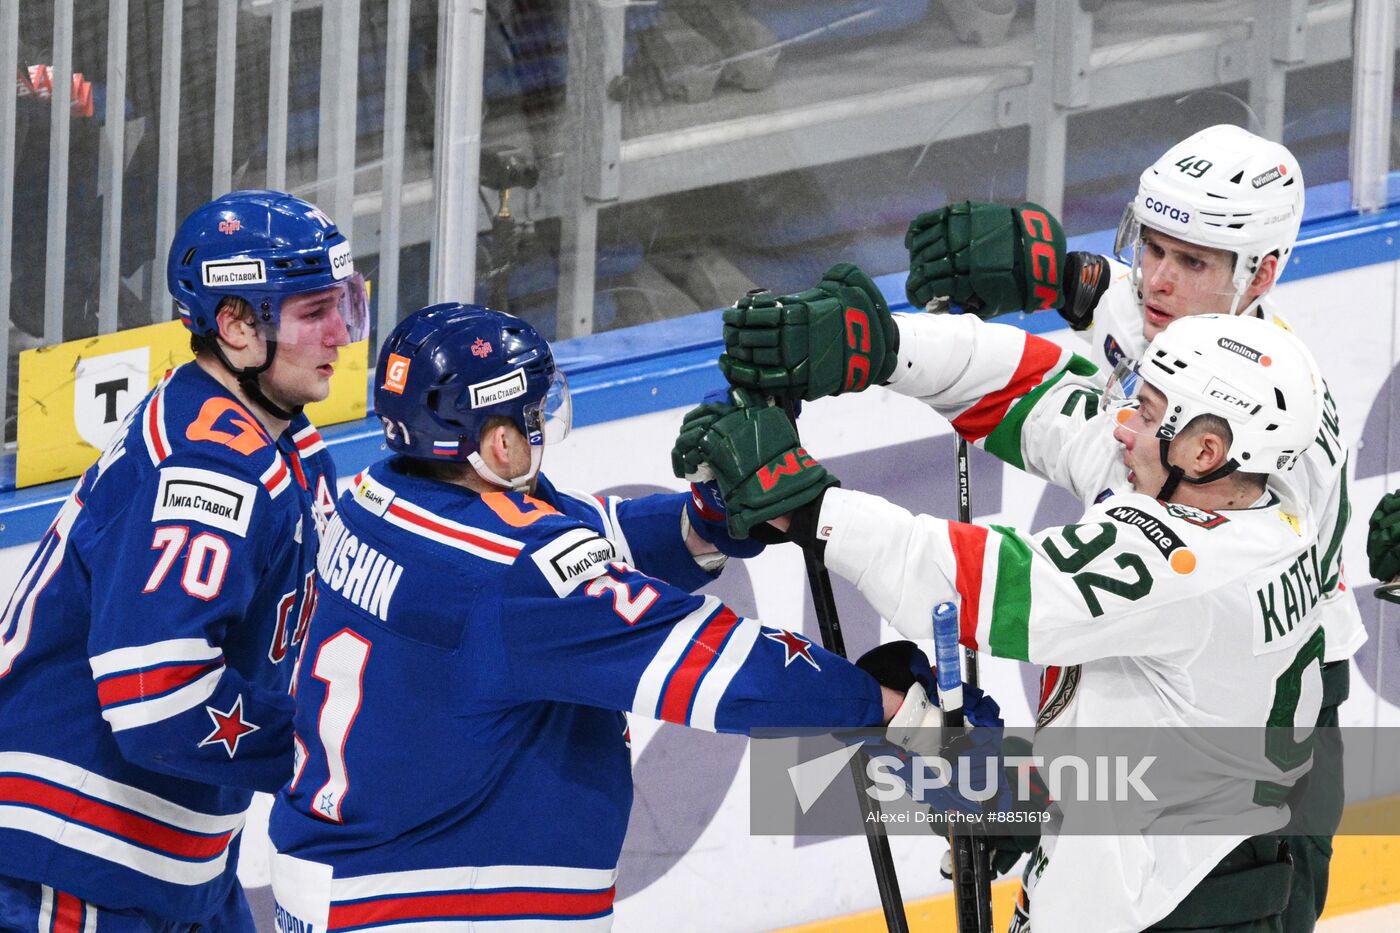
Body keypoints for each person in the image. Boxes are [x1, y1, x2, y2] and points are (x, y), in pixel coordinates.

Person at [263, 301, 975, 931]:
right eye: (532, 416)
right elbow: (722, 666)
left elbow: (576, 543)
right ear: (496, 442)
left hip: (347, 885)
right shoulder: (515, 574)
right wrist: (895, 712)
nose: (543, 428)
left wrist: (703, 522)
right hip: (438, 904)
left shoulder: (373, 496)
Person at [703, 271, 1330, 931]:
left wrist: (811, 510)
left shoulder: (1197, 566)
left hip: (1177, 907)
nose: (1122, 425)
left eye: (1145, 412)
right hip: (1197, 864)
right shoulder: (1255, 500)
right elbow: (1040, 391)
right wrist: (883, 347)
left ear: (1206, 449)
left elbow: (997, 585)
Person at [896, 123, 1362, 930]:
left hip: (1252, 776)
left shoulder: (1275, 449)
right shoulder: (1211, 356)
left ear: (1265, 273)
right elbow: (1141, 317)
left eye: (1191, 261)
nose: (1155, 279)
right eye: (1151, 245)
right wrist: (1063, 272)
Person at [0, 189, 366, 930]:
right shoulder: (206, 468)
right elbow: (155, 696)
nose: (341, 334)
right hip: (69, 862)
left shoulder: (285, 441)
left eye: (345, 305)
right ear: (235, 325)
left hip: (170, 865)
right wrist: (330, 751)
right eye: (312, 312)